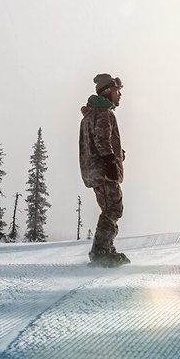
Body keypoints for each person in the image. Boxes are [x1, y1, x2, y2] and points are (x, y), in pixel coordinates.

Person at [79, 73, 129, 266]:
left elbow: (95, 141)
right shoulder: (103, 113)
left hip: (94, 170)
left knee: (109, 208)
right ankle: (101, 251)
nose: (120, 95)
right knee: (113, 208)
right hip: (103, 171)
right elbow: (101, 140)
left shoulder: (91, 114)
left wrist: (117, 153)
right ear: (108, 91)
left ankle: (105, 247)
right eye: (118, 91)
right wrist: (110, 162)